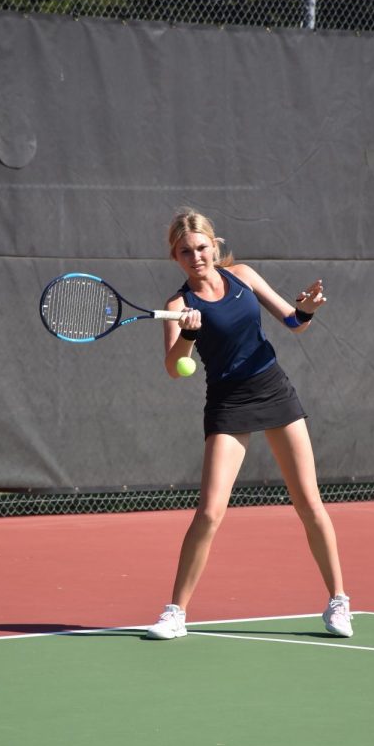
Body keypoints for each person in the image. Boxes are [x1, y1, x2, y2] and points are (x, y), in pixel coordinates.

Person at [147, 209, 353, 640]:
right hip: (228, 401)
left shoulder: (243, 276)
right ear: (175, 257)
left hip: (274, 389)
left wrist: (306, 309)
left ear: (214, 245)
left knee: (309, 503)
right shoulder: (178, 305)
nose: (196, 257)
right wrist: (187, 334)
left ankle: (338, 602)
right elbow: (174, 367)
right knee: (209, 512)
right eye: (185, 252)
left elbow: (294, 323)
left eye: (202, 247)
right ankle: (175, 613)